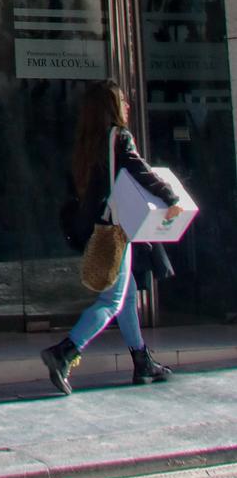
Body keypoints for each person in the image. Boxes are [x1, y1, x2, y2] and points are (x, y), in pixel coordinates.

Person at [42, 79, 181, 394]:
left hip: (97, 228)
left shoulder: (87, 143)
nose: (128, 105)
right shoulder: (119, 137)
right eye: (122, 99)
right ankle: (65, 352)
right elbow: (139, 170)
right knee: (112, 300)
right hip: (116, 229)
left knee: (127, 294)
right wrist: (170, 197)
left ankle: (142, 360)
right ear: (111, 106)